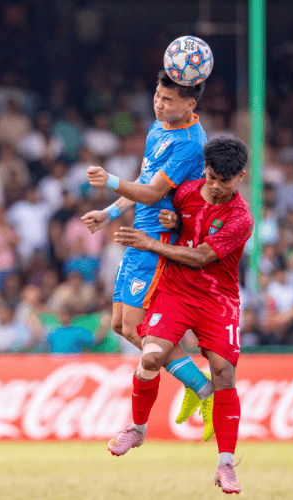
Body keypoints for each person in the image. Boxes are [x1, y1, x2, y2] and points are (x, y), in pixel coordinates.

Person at [106, 136, 252, 494]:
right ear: (205, 169)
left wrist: (153, 242)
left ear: (241, 177)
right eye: (212, 177)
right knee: (151, 353)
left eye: (225, 181)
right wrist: (170, 221)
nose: (216, 187)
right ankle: (137, 430)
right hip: (176, 291)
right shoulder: (186, 191)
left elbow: (202, 256)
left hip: (218, 299)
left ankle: (226, 465)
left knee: (224, 372)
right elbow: (154, 198)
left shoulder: (240, 218)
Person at [81, 70, 214, 435]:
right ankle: (197, 382)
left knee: (143, 329)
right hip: (136, 235)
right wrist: (109, 213)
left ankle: (204, 387)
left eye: (168, 100)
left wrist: (109, 181)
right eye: (157, 95)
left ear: (190, 104)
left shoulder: (190, 143)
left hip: (158, 242)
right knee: (121, 325)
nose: (159, 103)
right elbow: (142, 184)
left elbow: (154, 193)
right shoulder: (158, 129)